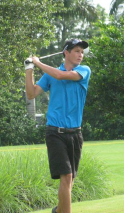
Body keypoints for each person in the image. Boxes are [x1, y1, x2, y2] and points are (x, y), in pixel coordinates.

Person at [24, 39, 91, 213]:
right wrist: (29, 69)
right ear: (66, 53)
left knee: (69, 180)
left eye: (82, 52)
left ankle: (58, 211)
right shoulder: (50, 75)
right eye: (76, 51)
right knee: (66, 175)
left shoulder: (84, 71)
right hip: (55, 133)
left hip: (75, 133)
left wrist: (38, 62)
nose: (80, 55)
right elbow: (31, 94)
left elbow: (61, 76)